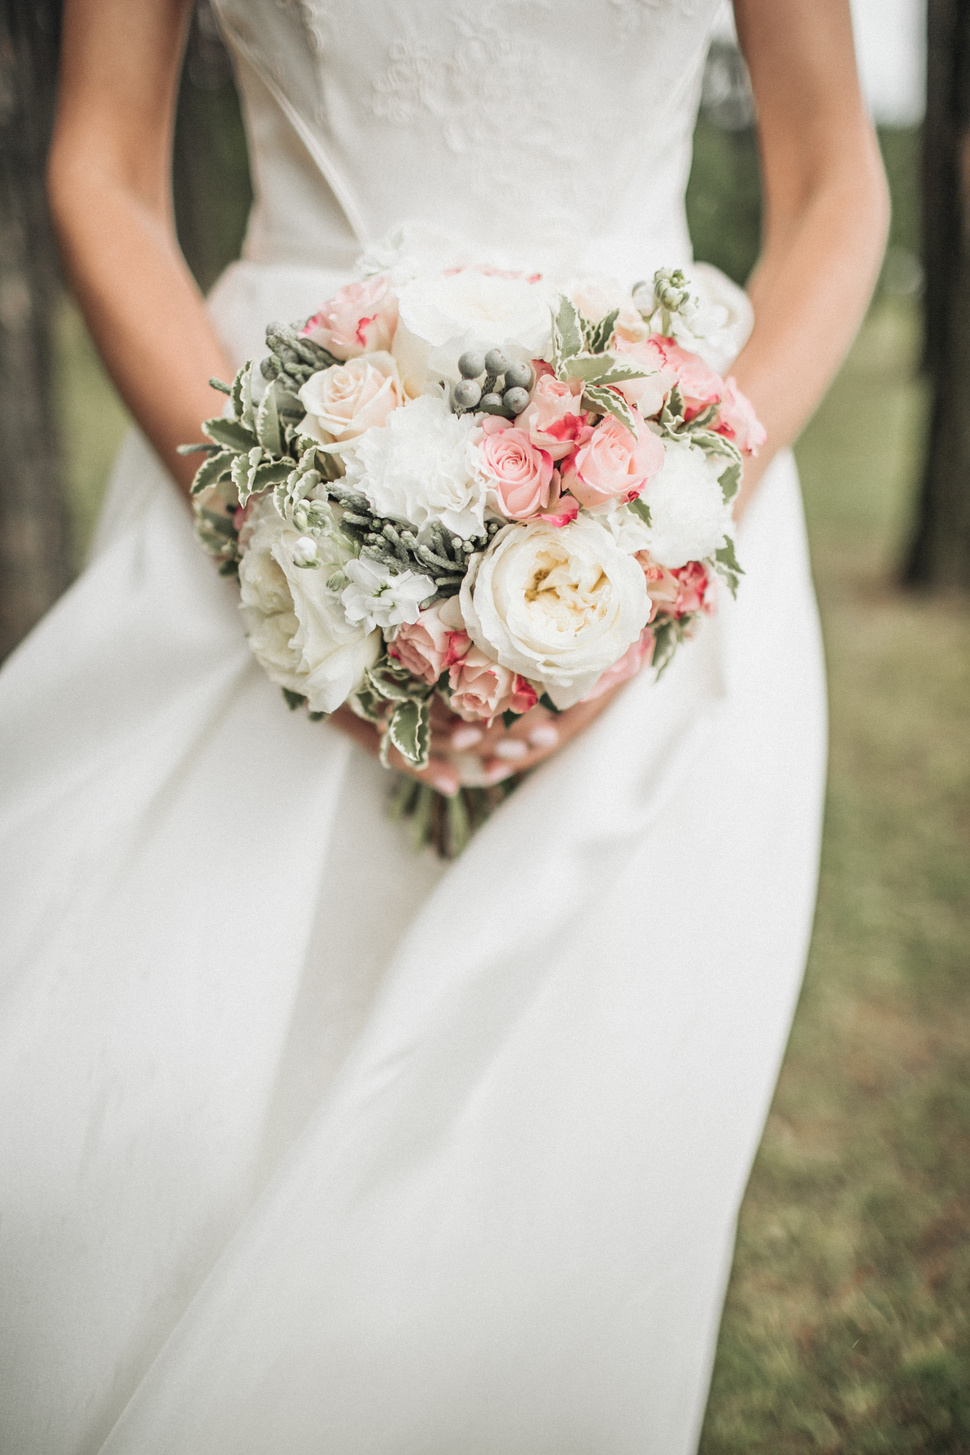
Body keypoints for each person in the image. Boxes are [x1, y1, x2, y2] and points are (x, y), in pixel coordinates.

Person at [0, 1, 887, 1451]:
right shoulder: (272, 518)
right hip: (269, 442)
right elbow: (98, 168)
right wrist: (285, 552)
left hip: (661, 480)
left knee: (558, 1173)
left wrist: (653, 530)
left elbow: (837, 178)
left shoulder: (662, 517)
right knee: (142, 1107)